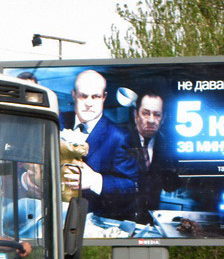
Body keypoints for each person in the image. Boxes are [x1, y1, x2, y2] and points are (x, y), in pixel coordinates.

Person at [60, 70, 139, 218]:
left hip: (93, 224)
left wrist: (95, 181)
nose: (89, 103)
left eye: (95, 97)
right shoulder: (57, 122)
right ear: (73, 95)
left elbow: (132, 186)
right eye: (83, 96)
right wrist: (26, 179)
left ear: (104, 97)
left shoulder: (120, 136)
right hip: (53, 220)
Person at [124, 90, 178, 223]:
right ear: (136, 115)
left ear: (163, 118)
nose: (151, 120)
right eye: (146, 113)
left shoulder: (167, 145)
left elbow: (170, 186)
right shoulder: (121, 138)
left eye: (157, 115)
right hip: (119, 220)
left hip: (149, 221)